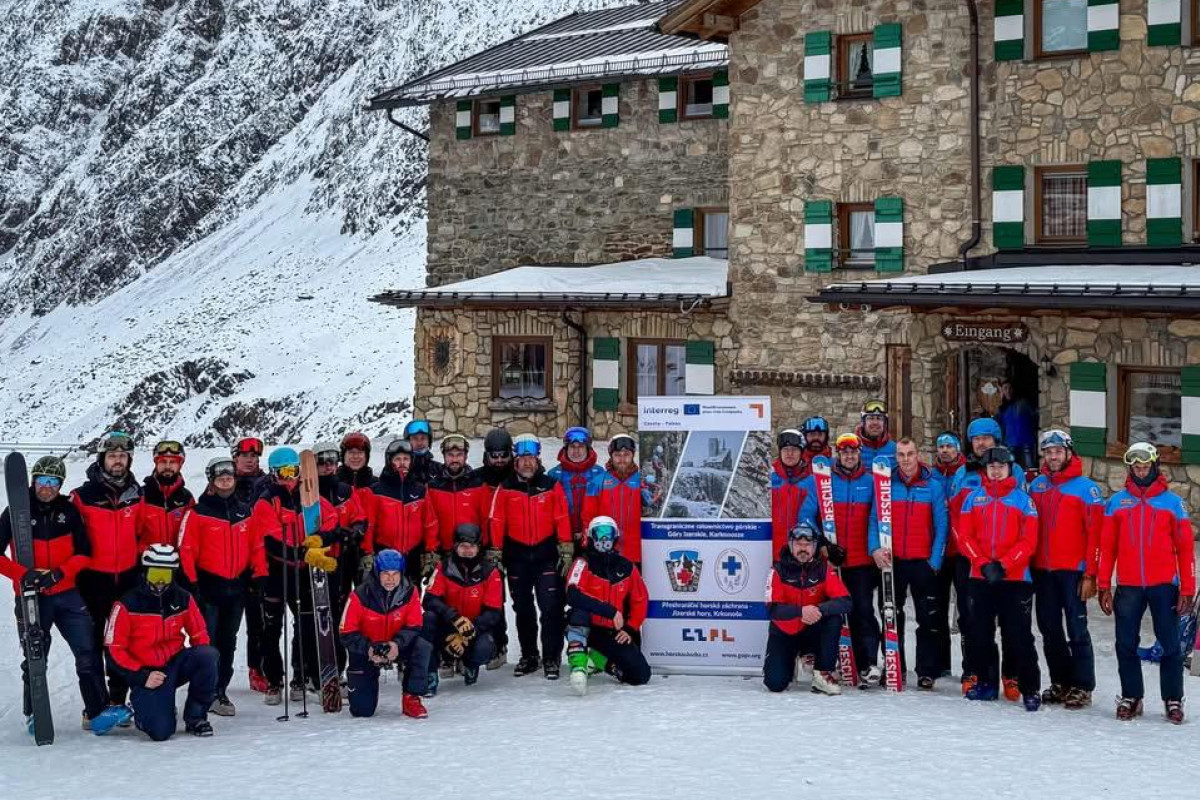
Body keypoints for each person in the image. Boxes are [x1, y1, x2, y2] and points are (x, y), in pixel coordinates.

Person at [0, 456, 109, 733]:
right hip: (30, 596)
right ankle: (34, 713)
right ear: (34, 480)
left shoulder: (69, 512)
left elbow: (84, 553)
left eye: (53, 482)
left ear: (60, 485)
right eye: (42, 480)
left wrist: (61, 573)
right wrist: (22, 574)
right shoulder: (14, 511)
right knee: (36, 657)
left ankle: (97, 712)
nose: (47, 487)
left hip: (66, 594)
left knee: (87, 652)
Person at [1098, 442, 1195, 724]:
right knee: (1125, 643)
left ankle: (1172, 698)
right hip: (1128, 585)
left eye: (1145, 467)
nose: (1141, 472)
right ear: (1130, 469)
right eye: (1136, 467)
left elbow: (1186, 550)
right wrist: (1104, 584)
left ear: (1154, 467)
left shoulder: (1172, 503)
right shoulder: (1117, 503)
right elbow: (1107, 548)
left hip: (1164, 585)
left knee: (1171, 645)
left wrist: (1187, 589)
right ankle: (1132, 695)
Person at [250, 447, 340, 704]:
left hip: (303, 572)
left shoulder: (309, 497)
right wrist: (302, 552)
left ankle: (301, 677)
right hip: (277, 571)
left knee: (306, 624)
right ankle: (274, 681)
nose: (289, 478)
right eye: (284, 472)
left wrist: (320, 539)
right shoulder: (267, 501)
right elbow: (271, 540)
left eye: (293, 471)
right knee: (271, 629)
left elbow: (332, 521)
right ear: (273, 474)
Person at [102, 544, 219, 740]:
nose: (160, 582)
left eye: (166, 575)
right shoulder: (126, 604)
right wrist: (141, 676)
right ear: (145, 572)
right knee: (160, 732)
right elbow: (114, 650)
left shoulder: (183, 598)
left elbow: (199, 634)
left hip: (175, 662)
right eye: (155, 574)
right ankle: (143, 708)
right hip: (147, 672)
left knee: (208, 655)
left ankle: (196, 717)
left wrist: (203, 657)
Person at [956, 446, 1041, 711]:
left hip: (1015, 579)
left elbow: (1029, 541)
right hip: (980, 577)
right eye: (991, 467)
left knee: (1019, 636)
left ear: (1009, 469)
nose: (995, 471)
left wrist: (1004, 564)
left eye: (1000, 467)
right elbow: (964, 537)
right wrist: (981, 563)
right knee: (980, 634)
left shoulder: (1023, 501)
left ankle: (1029, 688)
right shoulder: (974, 498)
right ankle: (986, 682)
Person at [178, 456, 261, 717]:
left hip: (236, 588)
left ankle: (220, 691)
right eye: (220, 478)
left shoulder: (245, 511)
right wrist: (192, 585)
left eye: (229, 477)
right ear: (211, 481)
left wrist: (258, 576)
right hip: (208, 588)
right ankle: (204, 693)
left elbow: (255, 546)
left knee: (228, 642)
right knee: (207, 643)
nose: (226, 481)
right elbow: (186, 550)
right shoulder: (198, 512)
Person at [949, 416, 1026, 697]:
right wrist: (971, 555)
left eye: (986, 438)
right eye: (976, 439)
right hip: (969, 559)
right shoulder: (964, 473)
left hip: (1007, 563)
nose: (981, 444)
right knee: (971, 619)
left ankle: (1012, 675)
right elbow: (956, 517)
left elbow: (1023, 518)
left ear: (997, 440)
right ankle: (976, 671)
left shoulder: (1013, 470)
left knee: (1009, 621)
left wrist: (1006, 561)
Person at [1027, 430, 1104, 710]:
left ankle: (1083, 685)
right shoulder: (1037, 486)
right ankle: (1061, 681)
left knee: (1077, 629)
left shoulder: (1087, 488)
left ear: (1069, 452)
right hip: (1043, 571)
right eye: (1048, 452)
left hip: (1073, 571)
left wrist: (1090, 574)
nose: (1053, 456)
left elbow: (1096, 536)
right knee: (1049, 629)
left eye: (1058, 451)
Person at [71, 430, 144, 721]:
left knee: (121, 642)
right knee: (90, 645)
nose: (117, 461)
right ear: (102, 459)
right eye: (112, 456)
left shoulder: (136, 495)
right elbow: (73, 539)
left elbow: (141, 533)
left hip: (126, 578)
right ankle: (94, 707)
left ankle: (117, 700)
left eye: (122, 456)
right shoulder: (83, 496)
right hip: (93, 580)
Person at [868, 437, 948, 690]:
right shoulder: (885, 486)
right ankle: (894, 664)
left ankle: (926, 670)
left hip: (923, 562)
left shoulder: (933, 486)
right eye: (901, 455)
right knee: (891, 615)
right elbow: (873, 521)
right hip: (894, 563)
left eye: (910, 454)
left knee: (927, 619)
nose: (905, 459)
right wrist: (875, 550)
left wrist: (935, 561)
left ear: (917, 455)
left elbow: (942, 526)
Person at [490, 433, 572, 679]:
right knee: (523, 608)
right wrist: (496, 552)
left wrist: (566, 548)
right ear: (516, 461)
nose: (527, 463)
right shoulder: (506, 488)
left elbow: (561, 517)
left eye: (531, 459)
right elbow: (496, 521)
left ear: (537, 460)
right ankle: (529, 656)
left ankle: (551, 657)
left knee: (551, 608)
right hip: (517, 557)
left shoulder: (550, 485)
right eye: (523, 458)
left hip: (546, 555)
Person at [339, 548, 431, 719]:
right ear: (376, 572)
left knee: (422, 646)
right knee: (362, 711)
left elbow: (415, 625)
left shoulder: (410, 593)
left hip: (395, 645)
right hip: (367, 649)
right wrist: (368, 648)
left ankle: (412, 697)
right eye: (385, 574)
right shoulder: (359, 595)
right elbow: (346, 632)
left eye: (395, 574)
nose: (390, 579)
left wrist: (396, 644)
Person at [564, 516, 651, 695]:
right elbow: (572, 594)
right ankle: (578, 666)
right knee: (577, 613)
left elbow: (640, 599)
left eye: (608, 534)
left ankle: (597, 659)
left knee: (640, 676)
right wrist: (609, 610)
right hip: (588, 628)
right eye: (599, 534)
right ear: (591, 537)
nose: (604, 540)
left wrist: (630, 628)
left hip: (612, 632)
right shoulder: (582, 563)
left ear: (615, 537)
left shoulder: (627, 567)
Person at [763, 521, 852, 694]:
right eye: (798, 544)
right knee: (775, 684)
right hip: (785, 632)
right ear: (790, 545)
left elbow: (845, 601)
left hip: (810, 629)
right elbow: (772, 609)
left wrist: (818, 609)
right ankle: (792, 660)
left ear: (815, 546)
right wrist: (800, 611)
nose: (803, 548)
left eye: (807, 545)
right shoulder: (777, 570)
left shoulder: (823, 569)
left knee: (833, 618)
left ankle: (822, 674)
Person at [422, 524, 504, 689]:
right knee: (427, 619)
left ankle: (470, 663)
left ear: (479, 547)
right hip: (448, 624)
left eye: (472, 546)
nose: (467, 550)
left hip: (476, 627)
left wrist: (467, 633)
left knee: (485, 647)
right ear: (455, 546)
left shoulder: (490, 572)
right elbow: (429, 600)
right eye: (463, 546)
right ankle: (430, 672)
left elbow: (494, 612)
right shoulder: (443, 567)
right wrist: (453, 617)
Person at [829, 432, 880, 686]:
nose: (849, 455)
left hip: (861, 562)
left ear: (860, 453)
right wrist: (825, 547)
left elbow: (878, 519)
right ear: (838, 455)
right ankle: (836, 659)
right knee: (834, 613)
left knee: (862, 611)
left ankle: (868, 662)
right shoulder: (826, 482)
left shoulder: (871, 482)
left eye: (853, 451)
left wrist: (874, 549)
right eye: (845, 452)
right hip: (834, 562)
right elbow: (811, 515)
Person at [362, 439, 439, 585]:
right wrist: (368, 552)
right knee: (386, 599)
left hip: (413, 554)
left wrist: (430, 551)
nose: (402, 463)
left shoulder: (420, 490)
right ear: (389, 461)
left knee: (412, 598)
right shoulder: (376, 490)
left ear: (411, 461)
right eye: (397, 459)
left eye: (406, 459)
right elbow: (369, 525)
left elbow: (430, 523)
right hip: (385, 554)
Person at [472, 427, 515, 669]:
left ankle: (508, 645)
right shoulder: (478, 478)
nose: (499, 461)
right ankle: (495, 644)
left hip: (514, 543)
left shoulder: (516, 477)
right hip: (485, 545)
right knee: (491, 598)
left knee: (515, 600)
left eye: (503, 455)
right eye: (494, 456)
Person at [231, 436, 269, 693]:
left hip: (260, 562)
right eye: (244, 456)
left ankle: (259, 667)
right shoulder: (222, 482)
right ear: (235, 458)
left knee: (260, 621)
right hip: (230, 564)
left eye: (253, 457)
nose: (249, 460)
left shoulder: (268, 485)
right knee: (226, 625)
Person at [582, 434, 644, 566]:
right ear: (611, 456)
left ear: (633, 455)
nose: (622, 459)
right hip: (606, 550)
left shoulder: (642, 482)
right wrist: (588, 545)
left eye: (626, 454)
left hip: (638, 552)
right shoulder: (597, 482)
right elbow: (588, 517)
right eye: (617, 455)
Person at [932, 431, 965, 677]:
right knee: (937, 607)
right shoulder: (930, 475)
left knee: (965, 609)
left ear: (957, 449)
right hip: (938, 550)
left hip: (962, 550)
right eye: (941, 446)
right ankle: (941, 662)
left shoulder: (967, 473)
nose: (944, 451)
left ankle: (969, 664)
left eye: (949, 446)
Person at [427, 435, 492, 559]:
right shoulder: (433, 487)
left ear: (465, 457)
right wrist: (432, 549)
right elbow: (430, 522)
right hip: (444, 552)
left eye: (459, 455)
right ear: (444, 457)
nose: (454, 459)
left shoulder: (478, 484)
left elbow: (485, 519)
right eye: (450, 455)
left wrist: (484, 546)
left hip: (471, 550)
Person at [547, 427, 604, 545]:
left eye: (581, 447)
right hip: (562, 538)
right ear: (566, 449)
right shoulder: (554, 475)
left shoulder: (599, 474)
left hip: (593, 536)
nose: (576, 451)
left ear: (588, 449)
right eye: (572, 447)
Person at [136, 440, 195, 552]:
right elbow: (130, 536)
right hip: (144, 564)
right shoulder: (141, 496)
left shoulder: (187, 499)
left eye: (173, 462)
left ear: (180, 464)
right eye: (163, 461)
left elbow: (192, 536)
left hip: (177, 565)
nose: (167, 466)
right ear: (156, 463)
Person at [336, 431, 376, 594]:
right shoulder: (334, 482)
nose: (355, 457)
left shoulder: (376, 484)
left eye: (360, 453)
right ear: (343, 455)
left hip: (368, 551)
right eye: (351, 453)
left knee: (366, 597)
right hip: (341, 548)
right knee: (340, 596)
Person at [770, 428, 818, 554]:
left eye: (794, 449)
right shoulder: (768, 480)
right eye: (785, 449)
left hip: (802, 553)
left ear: (801, 452)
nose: (789, 453)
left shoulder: (812, 482)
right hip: (770, 553)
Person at [997, 378, 1038, 470]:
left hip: (1026, 441)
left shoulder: (1023, 403)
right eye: (1005, 388)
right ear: (1002, 391)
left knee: (1030, 469)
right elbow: (1000, 426)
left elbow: (1035, 417)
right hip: (1009, 443)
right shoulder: (1002, 408)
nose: (1008, 391)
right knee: (1010, 469)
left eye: (1010, 388)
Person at [856, 399, 896, 464]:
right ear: (863, 422)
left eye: (879, 418)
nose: (875, 422)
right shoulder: (853, 449)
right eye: (871, 418)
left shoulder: (895, 449)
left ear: (884, 423)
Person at [404, 419, 443, 484]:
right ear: (407, 442)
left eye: (423, 438)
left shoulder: (439, 469)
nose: (419, 443)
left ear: (429, 441)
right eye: (415, 438)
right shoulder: (400, 469)